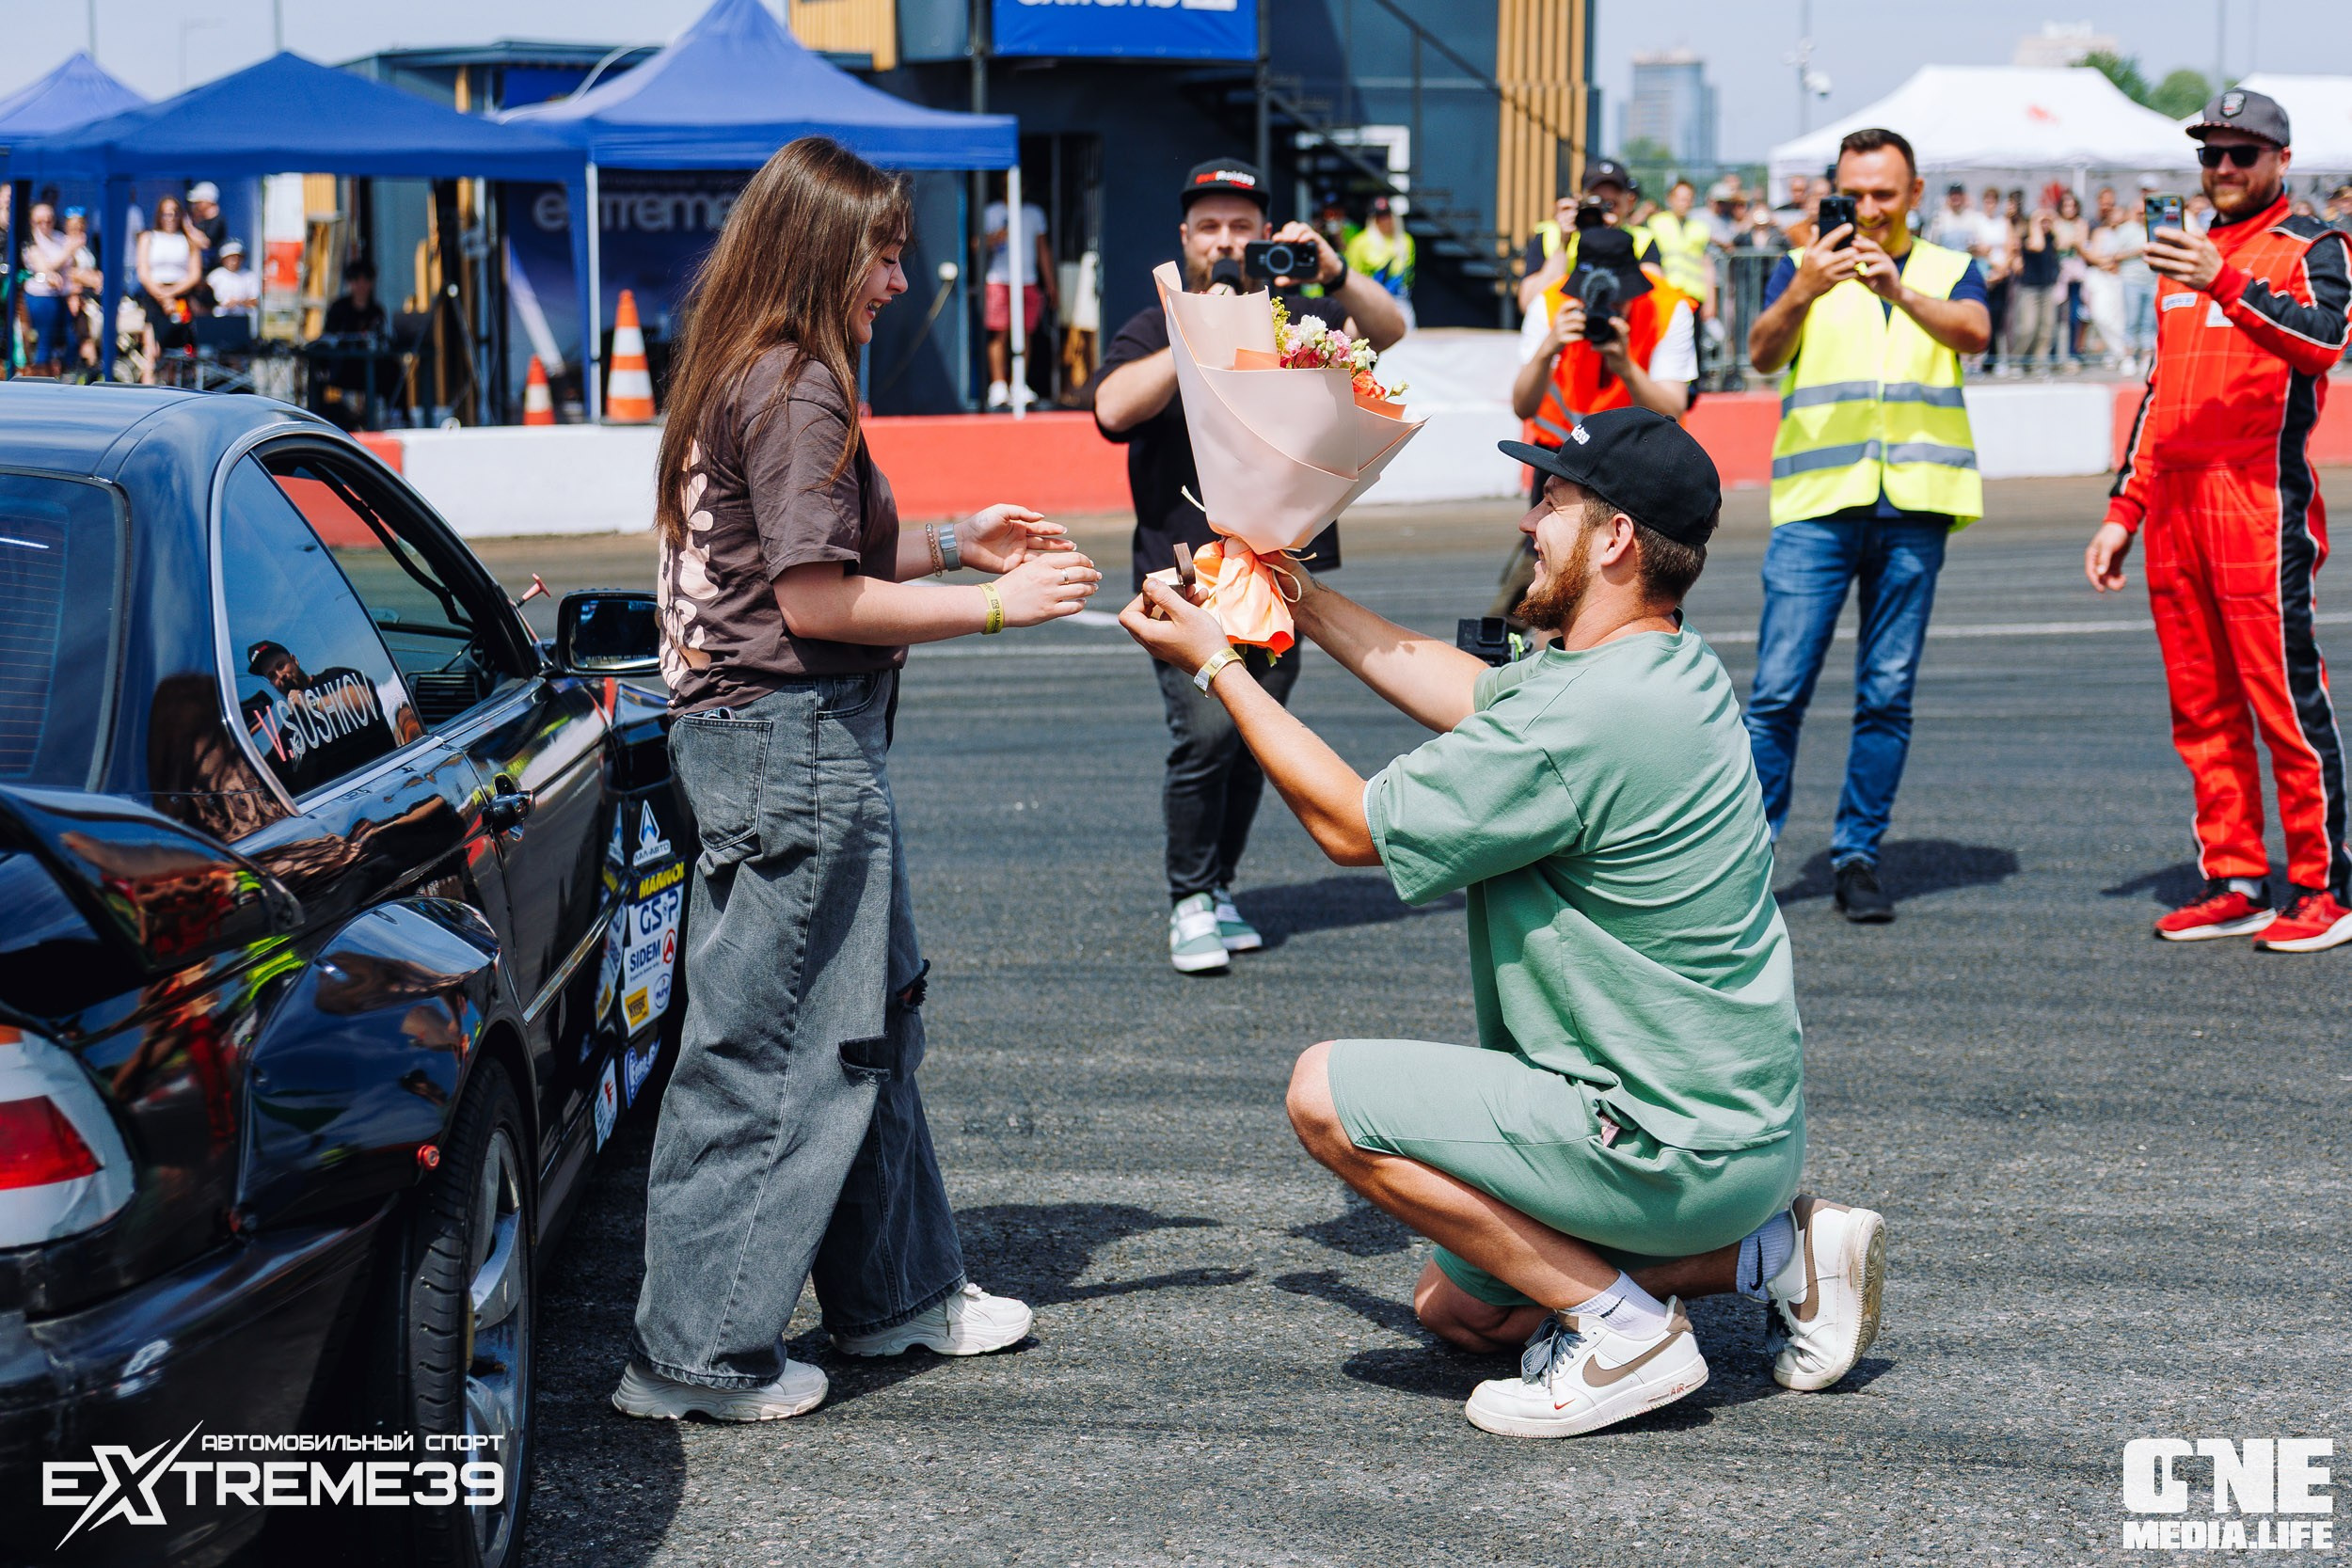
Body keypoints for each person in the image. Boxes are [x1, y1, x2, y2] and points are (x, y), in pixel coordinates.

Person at [1119, 406, 1885, 1438]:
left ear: (1613, 537)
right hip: (1735, 1131)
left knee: (1324, 1095)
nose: (1531, 520)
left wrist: (1219, 666)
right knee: (1462, 1310)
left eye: (1554, 501)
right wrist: (1291, 589)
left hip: (1661, 1139)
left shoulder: (1585, 718)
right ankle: (1780, 1253)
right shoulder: (1659, 664)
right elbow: (1465, 684)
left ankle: (1626, 1333)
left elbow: (1350, 827)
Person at [616, 137, 1094, 1423]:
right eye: (883, 248)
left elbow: (784, 554)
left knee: (865, 1021)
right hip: (790, 744)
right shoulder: (796, 384)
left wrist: (947, 538)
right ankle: (695, 1356)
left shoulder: (753, 367)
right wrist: (997, 604)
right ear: (826, 245)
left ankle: (896, 1289)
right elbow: (816, 597)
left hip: (777, 743)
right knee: (775, 1054)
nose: (900, 273)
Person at [1092, 158, 1407, 974]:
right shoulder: (1154, 321)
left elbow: (1393, 328)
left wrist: (1334, 270)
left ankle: (1217, 887)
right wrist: (1199, 331)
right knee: (1203, 732)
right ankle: (1190, 896)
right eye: (1210, 227)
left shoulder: (1300, 314)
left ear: (1266, 235)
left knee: (1254, 736)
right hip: (1187, 574)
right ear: (1186, 240)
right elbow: (1112, 408)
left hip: (1281, 572)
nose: (1226, 241)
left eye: (1241, 226)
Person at [2087, 90, 2352, 952]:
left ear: (2281, 160)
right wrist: (2124, 510)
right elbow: (2162, 395)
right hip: (2175, 509)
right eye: (2211, 154)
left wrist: (2226, 281)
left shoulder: (2312, 244)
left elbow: (2323, 344)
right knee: (2200, 708)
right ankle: (2236, 878)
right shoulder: (2179, 258)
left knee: (2283, 700)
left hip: (2258, 502)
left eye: (2243, 153)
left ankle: (2323, 884)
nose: (2225, 169)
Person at [1742, 127, 1991, 923]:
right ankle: (1742, 861)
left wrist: (1902, 293)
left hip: (1915, 504)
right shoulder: (1803, 268)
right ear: (1834, 193)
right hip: (1818, 505)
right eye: (1856, 193)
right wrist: (1800, 289)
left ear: (1916, 194)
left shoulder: (1951, 270)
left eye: (1887, 193)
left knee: (1886, 693)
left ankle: (1858, 852)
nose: (1872, 209)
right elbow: (1759, 354)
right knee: (1778, 692)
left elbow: (1975, 335)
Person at [1497, 227, 1696, 620]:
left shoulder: (1667, 307)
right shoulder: (1551, 305)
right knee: (1543, 585)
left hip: (1632, 466)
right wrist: (1547, 349)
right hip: (1562, 460)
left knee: (1635, 587)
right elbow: (1523, 405)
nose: (1607, 309)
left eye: (1620, 299)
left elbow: (1673, 409)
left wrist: (1625, 364)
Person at [1518, 159, 1659, 314]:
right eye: (1596, 204)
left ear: (1628, 202)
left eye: (1612, 204)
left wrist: (1614, 242)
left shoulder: (1641, 240)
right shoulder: (1551, 235)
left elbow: (1654, 302)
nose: (1604, 213)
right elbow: (1531, 305)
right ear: (1579, 200)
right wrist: (1563, 244)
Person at [981, 176, 1054, 411]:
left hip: (1028, 280)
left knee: (1025, 333)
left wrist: (1051, 283)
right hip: (998, 279)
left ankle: (1019, 383)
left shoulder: (1034, 213)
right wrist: (994, 237)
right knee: (999, 332)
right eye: (1005, 186)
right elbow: (976, 244)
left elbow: (1043, 249)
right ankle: (998, 385)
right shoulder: (992, 212)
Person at [134, 194, 202, 384]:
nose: (170, 218)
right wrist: (162, 296)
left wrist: (172, 294)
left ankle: (172, 387)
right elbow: (143, 271)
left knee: (177, 351)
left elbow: (194, 273)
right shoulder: (149, 237)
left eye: (174, 214)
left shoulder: (188, 240)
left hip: (180, 295)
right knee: (152, 349)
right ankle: (149, 385)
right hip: (155, 295)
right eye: (166, 214)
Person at [18, 203, 76, 377]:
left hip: (62, 296)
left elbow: (70, 269)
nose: (45, 225)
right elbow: (45, 266)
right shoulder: (31, 242)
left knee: (70, 340)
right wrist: (68, 251)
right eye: (39, 221)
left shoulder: (59, 238)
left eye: (49, 220)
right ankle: (40, 380)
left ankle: (64, 374)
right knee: (45, 341)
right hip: (40, 298)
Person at [1343, 196, 1418, 327]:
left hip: (1399, 299)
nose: (1385, 221)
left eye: (1388, 216)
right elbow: (1353, 275)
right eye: (1380, 217)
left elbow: (1408, 273)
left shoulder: (1406, 241)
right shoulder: (1360, 242)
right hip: (1371, 301)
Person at [1646, 178, 1714, 315]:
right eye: (1681, 198)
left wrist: (1711, 301)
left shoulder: (1700, 228)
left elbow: (1707, 265)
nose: (1686, 203)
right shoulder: (1656, 223)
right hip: (1666, 295)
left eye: (1689, 198)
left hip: (1694, 297)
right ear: (1670, 199)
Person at [205, 239, 259, 322]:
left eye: (238, 258)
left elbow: (256, 301)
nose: (235, 261)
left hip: (243, 318)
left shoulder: (250, 276)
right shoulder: (214, 276)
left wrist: (240, 302)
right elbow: (206, 300)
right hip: (219, 318)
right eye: (231, 258)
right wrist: (223, 304)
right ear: (223, 259)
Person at [184, 181, 228, 259]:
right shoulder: (198, 219)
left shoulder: (218, 221)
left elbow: (205, 244)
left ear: (207, 201)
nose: (196, 205)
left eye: (199, 202)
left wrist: (186, 227)